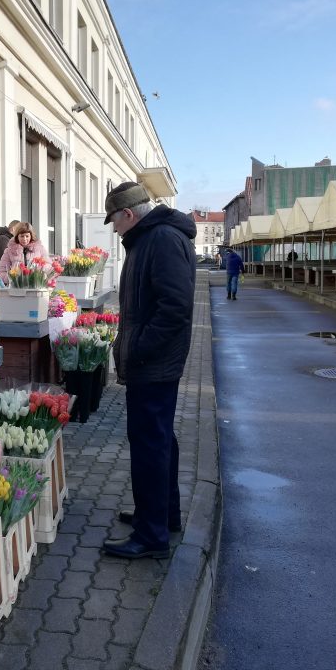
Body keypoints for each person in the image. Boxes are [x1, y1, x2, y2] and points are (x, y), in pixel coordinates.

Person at [100, 181, 196, 560]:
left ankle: (152, 535)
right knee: (158, 440)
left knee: (149, 445)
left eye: (114, 221)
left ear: (128, 214)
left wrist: (138, 349)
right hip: (153, 360)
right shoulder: (151, 238)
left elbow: (175, 308)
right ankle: (159, 515)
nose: (114, 230)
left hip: (154, 362)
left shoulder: (160, 240)